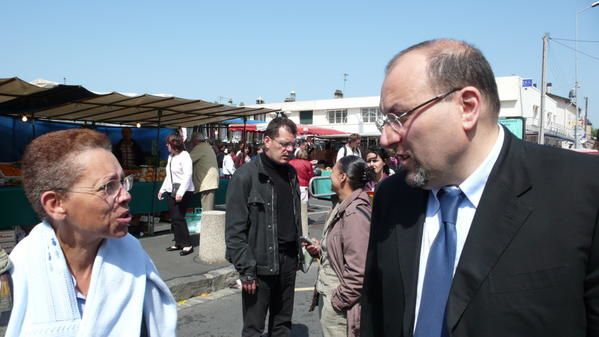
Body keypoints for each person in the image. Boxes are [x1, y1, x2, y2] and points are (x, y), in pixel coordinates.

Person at [360, 38, 599, 337]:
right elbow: (375, 315)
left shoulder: (582, 190)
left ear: (468, 107)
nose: (386, 138)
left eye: (400, 117)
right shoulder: (392, 197)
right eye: (385, 120)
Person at [7, 129, 176, 336]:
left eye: (123, 182)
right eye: (108, 187)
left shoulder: (136, 260)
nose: (125, 196)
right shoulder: (16, 277)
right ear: (56, 204)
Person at [225, 116, 304, 337]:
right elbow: (234, 231)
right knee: (253, 329)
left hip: (288, 260)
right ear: (267, 141)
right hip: (259, 264)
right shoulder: (245, 176)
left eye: (292, 144)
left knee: (282, 325)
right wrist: (246, 270)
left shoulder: (290, 174)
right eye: (284, 144)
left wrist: (300, 248)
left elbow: (293, 217)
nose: (289, 149)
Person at [304, 155, 373, 337]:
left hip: (339, 307)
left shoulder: (355, 214)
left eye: (332, 171)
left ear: (342, 177)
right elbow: (343, 250)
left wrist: (338, 301)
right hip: (330, 296)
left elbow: (359, 270)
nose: (328, 175)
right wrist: (321, 249)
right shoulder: (341, 205)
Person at [159, 133, 195, 256]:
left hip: (184, 191)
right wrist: (162, 189)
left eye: (167, 143)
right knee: (174, 218)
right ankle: (178, 242)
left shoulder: (185, 156)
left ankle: (187, 244)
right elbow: (169, 176)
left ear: (173, 144)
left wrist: (180, 192)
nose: (166, 145)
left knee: (178, 217)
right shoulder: (171, 157)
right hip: (171, 190)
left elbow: (187, 175)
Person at [189, 133, 219, 211]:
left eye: (192, 141)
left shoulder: (200, 147)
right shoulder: (206, 146)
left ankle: (208, 223)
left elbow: (187, 160)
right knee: (208, 205)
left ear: (195, 141)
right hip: (209, 180)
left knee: (207, 208)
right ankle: (208, 221)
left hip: (207, 181)